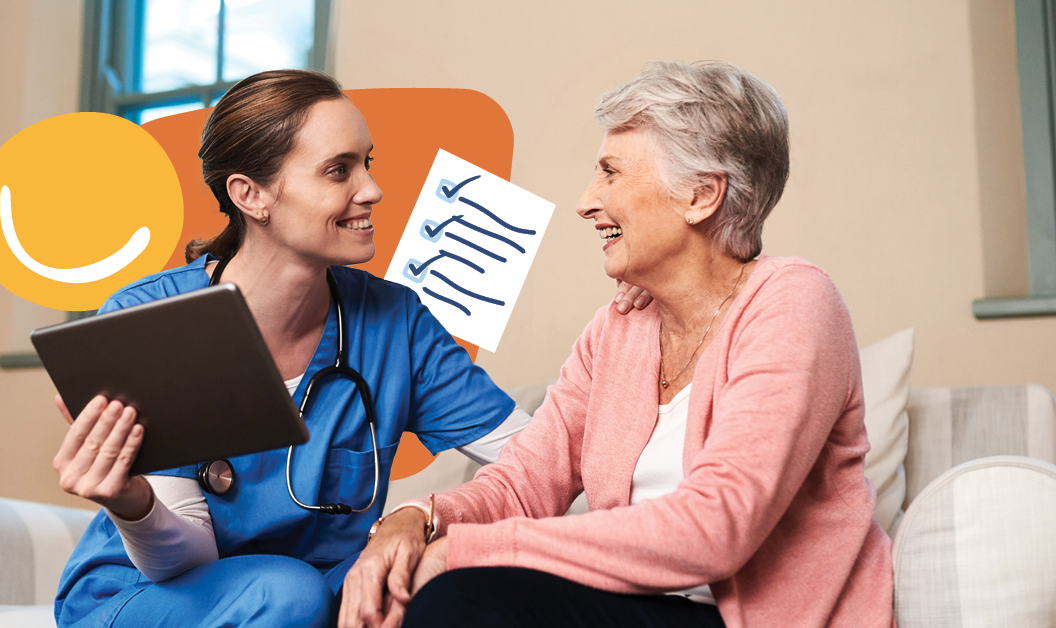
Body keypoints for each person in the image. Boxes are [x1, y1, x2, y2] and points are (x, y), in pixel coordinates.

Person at [341, 61, 895, 628]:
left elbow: (717, 529)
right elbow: (524, 485)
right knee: (427, 595)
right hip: (635, 605)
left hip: (750, 621)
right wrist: (421, 520)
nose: (586, 201)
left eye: (611, 173)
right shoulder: (618, 329)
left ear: (701, 195)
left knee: (458, 597)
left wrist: (462, 553)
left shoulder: (794, 303)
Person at [49, 69, 545, 628]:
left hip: (316, 591)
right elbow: (182, 560)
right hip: (153, 591)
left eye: (367, 163)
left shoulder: (395, 323)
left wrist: (428, 520)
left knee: (429, 574)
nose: (372, 190)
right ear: (250, 195)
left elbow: (538, 461)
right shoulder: (149, 320)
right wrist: (132, 502)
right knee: (287, 593)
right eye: (338, 170)